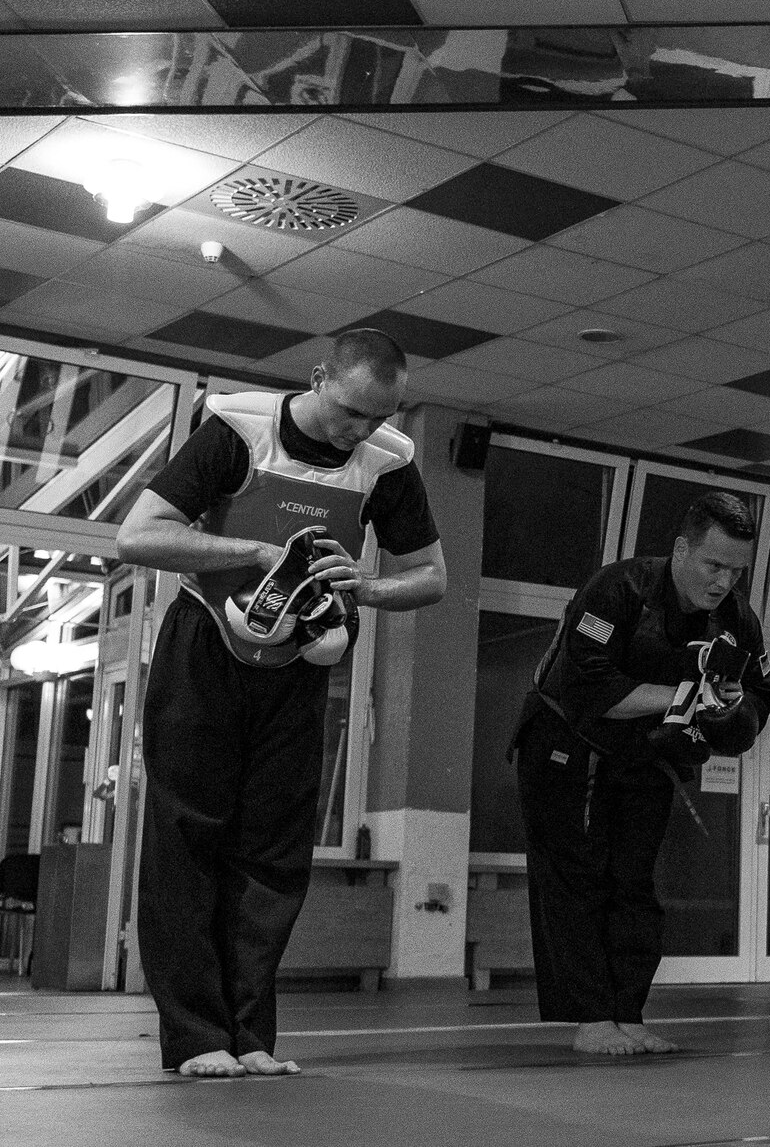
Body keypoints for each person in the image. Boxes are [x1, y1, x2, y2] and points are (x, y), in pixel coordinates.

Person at [116, 329, 447, 1078]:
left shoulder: (387, 463)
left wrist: (367, 586)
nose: (360, 430)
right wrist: (254, 553)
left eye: (379, 416)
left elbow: (432, 577)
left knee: (273, 853)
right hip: (205, 647)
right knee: (188, 839)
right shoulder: (236, 432)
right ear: (318, 376)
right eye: (351, 411)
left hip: (295, 663)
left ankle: (251, 1033)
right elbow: (136, 536)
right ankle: (197, 1036)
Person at [512, 491, 770, 1056]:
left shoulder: (735, 618)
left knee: (634, 884)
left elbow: (759, 691)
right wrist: (688, 695)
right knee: (576, 878)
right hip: (566, 742)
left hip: (644, 754)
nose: (724, 581)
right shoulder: (618, 589)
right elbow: (588, 688)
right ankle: (590, 1020)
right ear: (682, 550)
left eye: (736, 570)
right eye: (714, 565)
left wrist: (732, 713)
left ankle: (627, 1012)